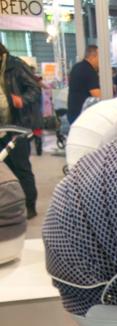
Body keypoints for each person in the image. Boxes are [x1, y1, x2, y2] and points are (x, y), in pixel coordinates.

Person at [0, 43, 40, 219]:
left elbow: (35, 89)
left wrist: (22, 100)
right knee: (6, 169)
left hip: (17, 125)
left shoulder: (15, 65)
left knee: (22, 168)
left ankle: (30, 205)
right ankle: (12, 205)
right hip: (1, 127)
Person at [67, 45, 100, 124]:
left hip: (72, 111)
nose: (100, 61)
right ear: (92, 56)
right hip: (83, 115)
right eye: (99, 57)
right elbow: (97, 94)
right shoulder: (89, 71)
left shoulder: (76, 67)